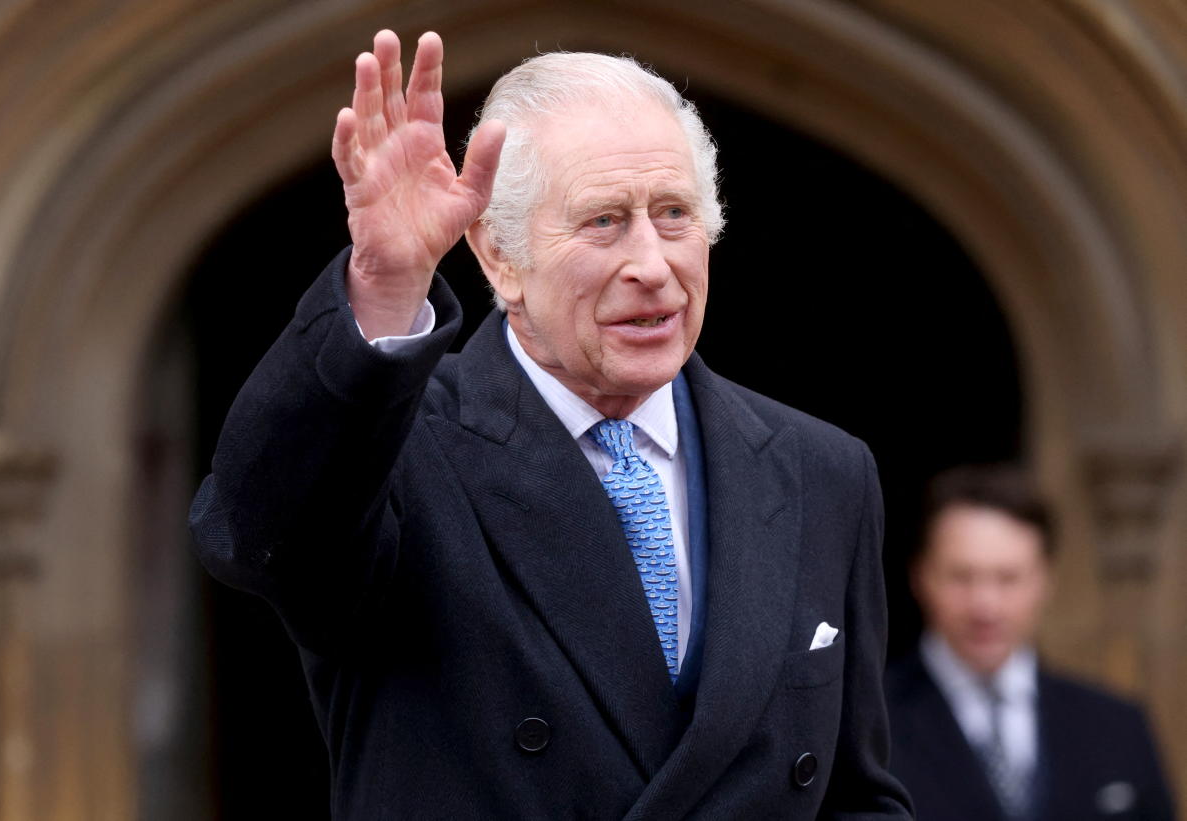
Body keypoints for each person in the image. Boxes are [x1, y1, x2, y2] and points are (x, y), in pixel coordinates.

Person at [190, 28, 912, 819]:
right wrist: (385, 282)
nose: (651, 263)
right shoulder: (398, 452)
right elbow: (255, 534)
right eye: (603, 221)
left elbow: (856, 792)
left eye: (673, 214)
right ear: (500, 255)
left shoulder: (823, 470)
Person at [885, 464, 1176, 821]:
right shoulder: (869, 725)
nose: (985, 606)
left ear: (1045, 579)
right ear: (919, 577)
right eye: (961, 577)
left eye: (1008, 578)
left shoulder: (1117, 726)